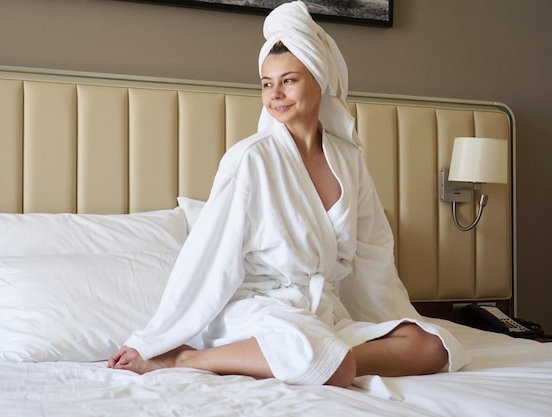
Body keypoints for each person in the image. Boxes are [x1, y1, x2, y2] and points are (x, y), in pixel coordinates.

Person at [108, 1, 468, 387]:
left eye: (289, 80)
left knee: (433, 345)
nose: (275, 93)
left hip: (317, 314)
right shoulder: (250, 159)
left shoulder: (348, 160)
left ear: (319, 80)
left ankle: (332, 358)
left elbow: (372, 255)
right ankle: (188, 360)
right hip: (260, 311)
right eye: (267, 83)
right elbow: (208, 257)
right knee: (321, 358)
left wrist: (389, 318)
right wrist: (155, 340)